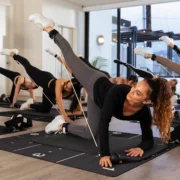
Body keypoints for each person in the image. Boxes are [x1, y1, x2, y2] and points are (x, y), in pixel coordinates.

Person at [29, 14, 172, 168]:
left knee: (91, 135)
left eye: (137, 93)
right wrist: (105, 154)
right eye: (134, 87)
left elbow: (148, 140)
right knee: (69, 57)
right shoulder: (119, 91)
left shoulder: (143, 113)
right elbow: (105, 122)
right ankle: (48, 27)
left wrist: (141, 147)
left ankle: (61, 125)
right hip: (94, 82)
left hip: (97, 101)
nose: (131, 91)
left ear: (147, 101)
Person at [1, 50, 82, 122]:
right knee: (28, 67)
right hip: (43, 78)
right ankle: (14, 54)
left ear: (73, 91)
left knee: (45, 109)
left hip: (48, 91)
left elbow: (80, 111)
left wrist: (69, 113)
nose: (66, 87)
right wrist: (65, 116)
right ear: (69, 80)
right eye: (68, 85)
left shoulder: (75, 93)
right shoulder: (61, 82)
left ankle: (29, 104)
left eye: (69, 89)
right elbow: (59, 100)